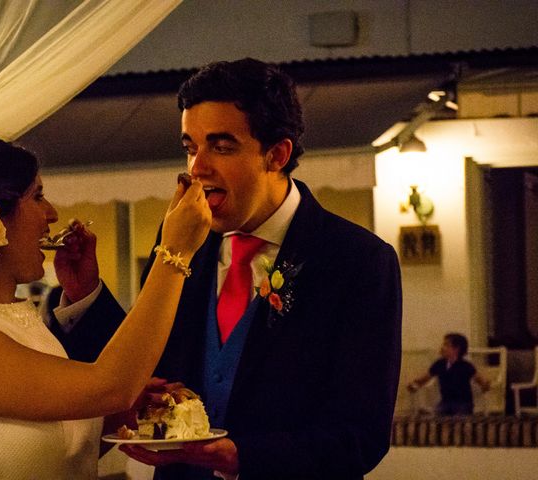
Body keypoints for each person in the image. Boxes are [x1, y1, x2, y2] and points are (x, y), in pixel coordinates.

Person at [58, 58, 402, 480]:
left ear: (277, 154)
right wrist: (86, 295)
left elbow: (360, 436)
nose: (197, 168)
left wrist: (240, 457)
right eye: (190, 147)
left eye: (221, 147)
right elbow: (139, 371)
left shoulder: (357, 260)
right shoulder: (182, 241)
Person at [0, 132, 211, 479]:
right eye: (38, 196)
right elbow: (111, 386)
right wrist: (174, 253)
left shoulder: (22, 322)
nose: (51, 214)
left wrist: (123, 414)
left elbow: (58, 446)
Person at [407, 333, 490, 415]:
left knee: (459, 418)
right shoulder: (439, 364)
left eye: (446, 345)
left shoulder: (466, 366)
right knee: (438, 417)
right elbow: (424, 378)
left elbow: (480, 380)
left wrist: (485, 384)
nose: (442, 348)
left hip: (463, 403)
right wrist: (415, 383)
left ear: (456, 349)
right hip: (446, 402)